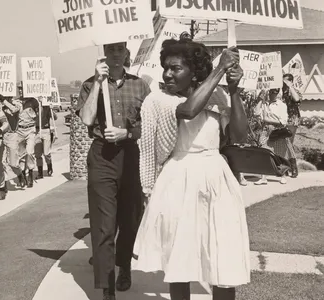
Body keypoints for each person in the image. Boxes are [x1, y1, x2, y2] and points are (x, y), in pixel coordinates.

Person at [134, 38, 250, 300]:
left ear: (194, 71)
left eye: (176, 68)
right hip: (178, 178)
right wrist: (220, 70)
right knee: (180, 258)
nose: (167, 74)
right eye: (166, 67)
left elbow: (238, 135)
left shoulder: (217, 95)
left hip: (215, 179)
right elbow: (187, 111)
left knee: (222, 254)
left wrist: (233, 90)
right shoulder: (160, 99)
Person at [77, 42, 151, 300]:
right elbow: (87, 119)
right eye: (111, 50)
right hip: (101, 156)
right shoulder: (90, 84)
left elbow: (147, 125)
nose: (116, 55)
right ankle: (107, 286)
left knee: (130, 219)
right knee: (104, 224)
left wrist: (127, 132)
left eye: (120, 50)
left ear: (127, 52)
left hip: (129, 153)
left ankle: (124, 266)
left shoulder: (139, 85)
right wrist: (98, 82)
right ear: (104, 53)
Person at [253, 88, 289, 185]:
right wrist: (260, 99)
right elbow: (256, 113)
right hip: (265, 130)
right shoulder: (264, 103)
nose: (272, 94)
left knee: (279, 153)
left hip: (277, 130)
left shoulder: (281, 105)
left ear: (278, 93)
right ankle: (263, 177)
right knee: (264, 152)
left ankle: (282, 175)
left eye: (275, 92)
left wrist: (267, 119)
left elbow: (283, 121)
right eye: (270, 92)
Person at [0, 94, 27, 188]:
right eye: (5, 97)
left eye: (8, 97)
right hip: (2, 135)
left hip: (12, 135)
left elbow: (14, 110)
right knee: (2, 161)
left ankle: (20, 175)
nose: (7, 99)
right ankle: (4, 184)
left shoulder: (17, 105)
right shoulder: (0, 109)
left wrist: (4, 101)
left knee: (13, 162)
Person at [281, 73, 302, 177]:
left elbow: (297, 99)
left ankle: (293, 167)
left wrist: (290, 87)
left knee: (289, 142)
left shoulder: (294, 90)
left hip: (292, 120)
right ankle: (286, 166)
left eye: (285, 81)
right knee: (283, 143)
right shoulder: (281, 91)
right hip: (281, 120)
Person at [35, 98, 57, 179]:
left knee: (46, 152)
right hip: (36, 131)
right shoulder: (34, 106)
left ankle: (49, 167)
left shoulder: (46, 106)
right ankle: (40, 172)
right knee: (37, 154)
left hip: (45, 130)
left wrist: (52, 109)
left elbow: (55, 118)